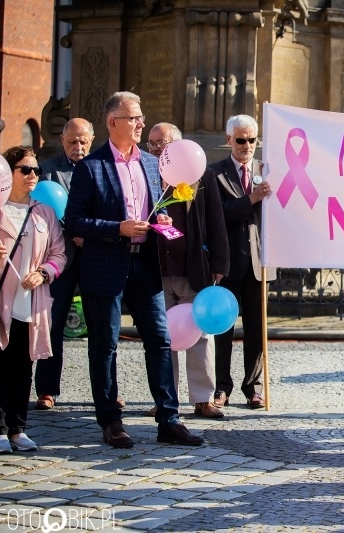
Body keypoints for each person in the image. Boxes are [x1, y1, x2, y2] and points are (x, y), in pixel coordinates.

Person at [65, 91, 203, 448]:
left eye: (141, 117)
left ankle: (169, 420)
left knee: (159, 339)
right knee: (105, 345)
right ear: (113, 123)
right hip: (105, 265)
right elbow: (74, 221)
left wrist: (162, 219)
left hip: (145, 264)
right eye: (134, 118)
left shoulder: (151, 163)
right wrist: (117, 229)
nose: (141, 123)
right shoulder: (91, 167)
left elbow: (156, 205)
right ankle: (111, 421)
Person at [146, 122, 230, 419]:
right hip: (156, 268)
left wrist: (219, 264)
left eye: (162, 143)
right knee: (161, 338)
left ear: (178, 145)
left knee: (200, 334)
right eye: (152, 143)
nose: (156, 149)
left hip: (193, 267)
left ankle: (203, 398)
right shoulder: (145, 174)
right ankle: (165, 399)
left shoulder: (201, 175)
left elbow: (216, 221)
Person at [0, 146, 66, 453]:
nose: (33, 175)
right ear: (7, 173)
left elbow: (59, 254)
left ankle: (17, 428)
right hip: (1, 301)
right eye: (25, 169)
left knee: (24, 366)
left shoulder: (44, 212)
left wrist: (44, 273)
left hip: (32, 302)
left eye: (36, 170)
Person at [209, 115, 274, 409]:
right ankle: (221, 388)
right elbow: (217, 214)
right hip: (228, 264)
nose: (247, 145)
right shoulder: (215, 174)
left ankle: (254, 389)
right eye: (241, 140)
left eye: (252, 140)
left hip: (260, 265)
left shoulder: (267, 170)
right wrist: (251, 200)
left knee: (256, 332)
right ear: (229, 140)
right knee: (223, 331)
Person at [34, 118, 96, 410]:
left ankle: (105, 393)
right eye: (72, 141)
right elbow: (41, 213)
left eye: (83, 141)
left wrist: (90, 233)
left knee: (102, 328)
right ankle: (47, 390)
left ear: (91, 139)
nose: (78, 147)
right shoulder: (46, 171)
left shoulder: (102, 167)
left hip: (96, 257)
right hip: (59, 259)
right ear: (62, 140)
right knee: (52, 324)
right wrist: (74, 232)